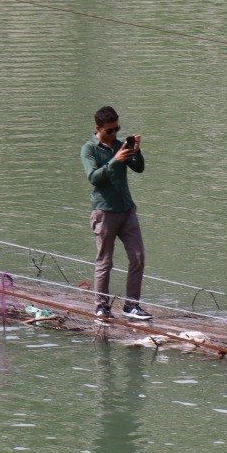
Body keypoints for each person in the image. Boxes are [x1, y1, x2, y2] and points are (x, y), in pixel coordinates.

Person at [80, 105, 151, 321]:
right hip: (104, 211)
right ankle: (101, 306)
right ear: (98, 128)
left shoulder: (120, 146)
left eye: (116, 129)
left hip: (127, 210)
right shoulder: (89, 149)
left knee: (138, 257)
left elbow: (139, 168)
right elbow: (93, 177)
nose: (114, 134)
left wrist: (136, 151)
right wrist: (115, 161)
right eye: (109, 130)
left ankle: (132, 305)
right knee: (105, 261)